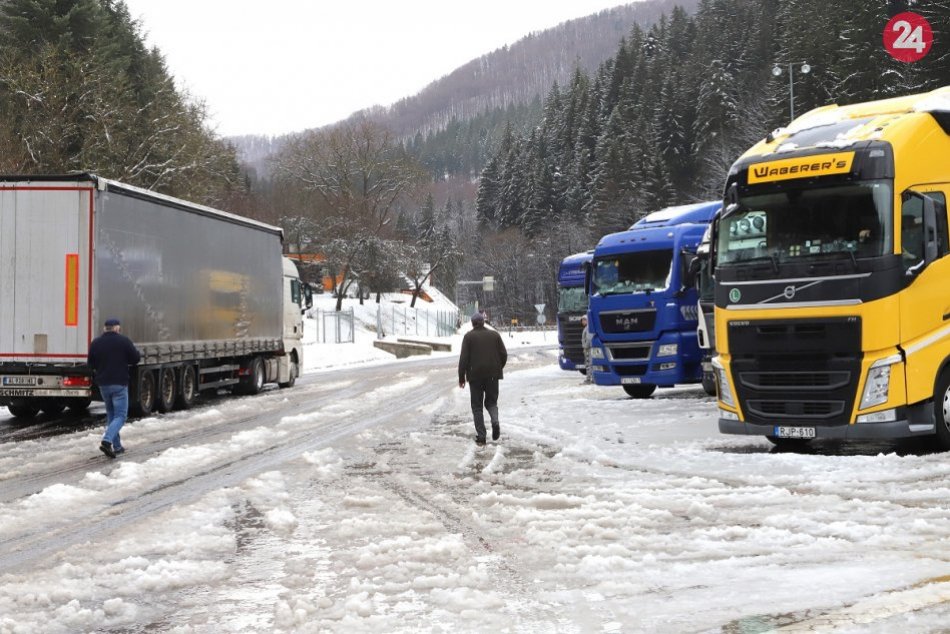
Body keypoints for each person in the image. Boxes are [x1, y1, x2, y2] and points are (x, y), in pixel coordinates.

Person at [87, 318, 141, 458]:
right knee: (121, 416)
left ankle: (117, 446)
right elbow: (135, 359)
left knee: (111, 415)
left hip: (104, 385)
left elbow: (90, 364)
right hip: (119, 384)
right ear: (117, 328)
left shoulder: (95, 343)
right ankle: (107, 440)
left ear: (105, 329)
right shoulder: (124, 341)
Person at [458, 311, 507, 446]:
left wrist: (461, 377)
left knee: (477, 406)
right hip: (493, 375)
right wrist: (497, 368)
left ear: (473, 324)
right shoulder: (495, 335)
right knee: (491, 402)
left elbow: (463, 359)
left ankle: (481, 436)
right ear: (483, 322)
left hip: (475, 376)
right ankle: (495, 421)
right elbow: (504, 354)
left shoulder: (468, 337)